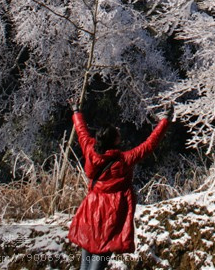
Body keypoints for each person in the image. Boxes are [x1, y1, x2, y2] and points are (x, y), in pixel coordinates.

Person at [67, 99, 173, 269]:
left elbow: (81, 131)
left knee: (87, 247)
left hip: (92, 207)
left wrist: (76, 111)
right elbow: (149, 145)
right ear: (113, 141)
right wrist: (165, 120)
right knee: (102, 252)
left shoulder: (90, 150)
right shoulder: (123, 161)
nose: (119, 133)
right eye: (117, 133)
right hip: (111, 212)